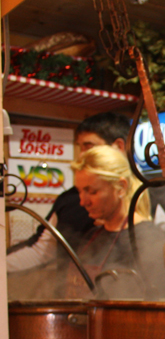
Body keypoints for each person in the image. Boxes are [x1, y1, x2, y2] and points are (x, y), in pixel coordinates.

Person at [7, 111, 131, 271]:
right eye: (80, 147)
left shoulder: (150, 196)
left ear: (118, 147)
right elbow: (42, 250)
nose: (81, 155)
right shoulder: (69, 200)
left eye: (89, 147)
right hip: (73, 292)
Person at [65, 145, 165, 300]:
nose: (83, 202)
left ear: (121, 187)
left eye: (92, 192)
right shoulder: (91, 236)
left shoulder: (153, 241)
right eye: (80, 191)